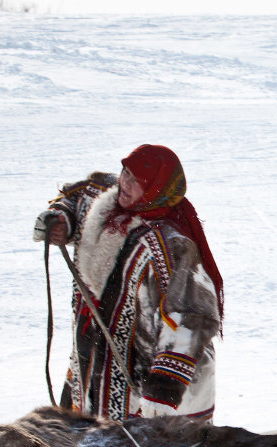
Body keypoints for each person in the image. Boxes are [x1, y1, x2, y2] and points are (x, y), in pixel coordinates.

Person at [33, 144, 223, 424]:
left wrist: (165, 385)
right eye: (125, 172)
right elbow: (77, 197)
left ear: (157, 187)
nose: (125, 183)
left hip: (152, 387)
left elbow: (194, 317)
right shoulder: (106, 201)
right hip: (95, 368)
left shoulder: (172, 245)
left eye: (137, 180)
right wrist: (62, 219)